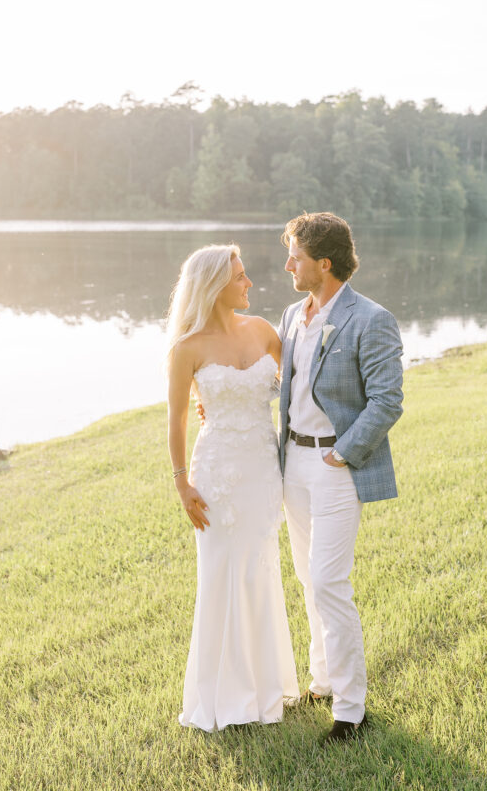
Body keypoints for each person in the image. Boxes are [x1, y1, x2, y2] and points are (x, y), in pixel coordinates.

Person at [278, 212, 403, 744]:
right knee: (308, 579)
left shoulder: (371, 318)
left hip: (335, 468)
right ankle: (323, 681)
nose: (288, 266)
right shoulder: (291, 315)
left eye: (296, 258)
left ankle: (351, 710)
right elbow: (285, 389)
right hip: (293, 466)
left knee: (330, 581)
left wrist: (341, 455)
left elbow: (387, 401)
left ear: (323, 264)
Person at [166, 244, 299, 731]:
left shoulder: (265, 332)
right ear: (216, 286)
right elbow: (176, 421)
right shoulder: (186, 349)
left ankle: (267, 686)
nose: (249, 284)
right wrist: (182, 485)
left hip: (263, 469)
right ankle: (223, 695)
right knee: (222, 575)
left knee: (259, 572)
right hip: (217, 474)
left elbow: (298, 389)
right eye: (240, 277)